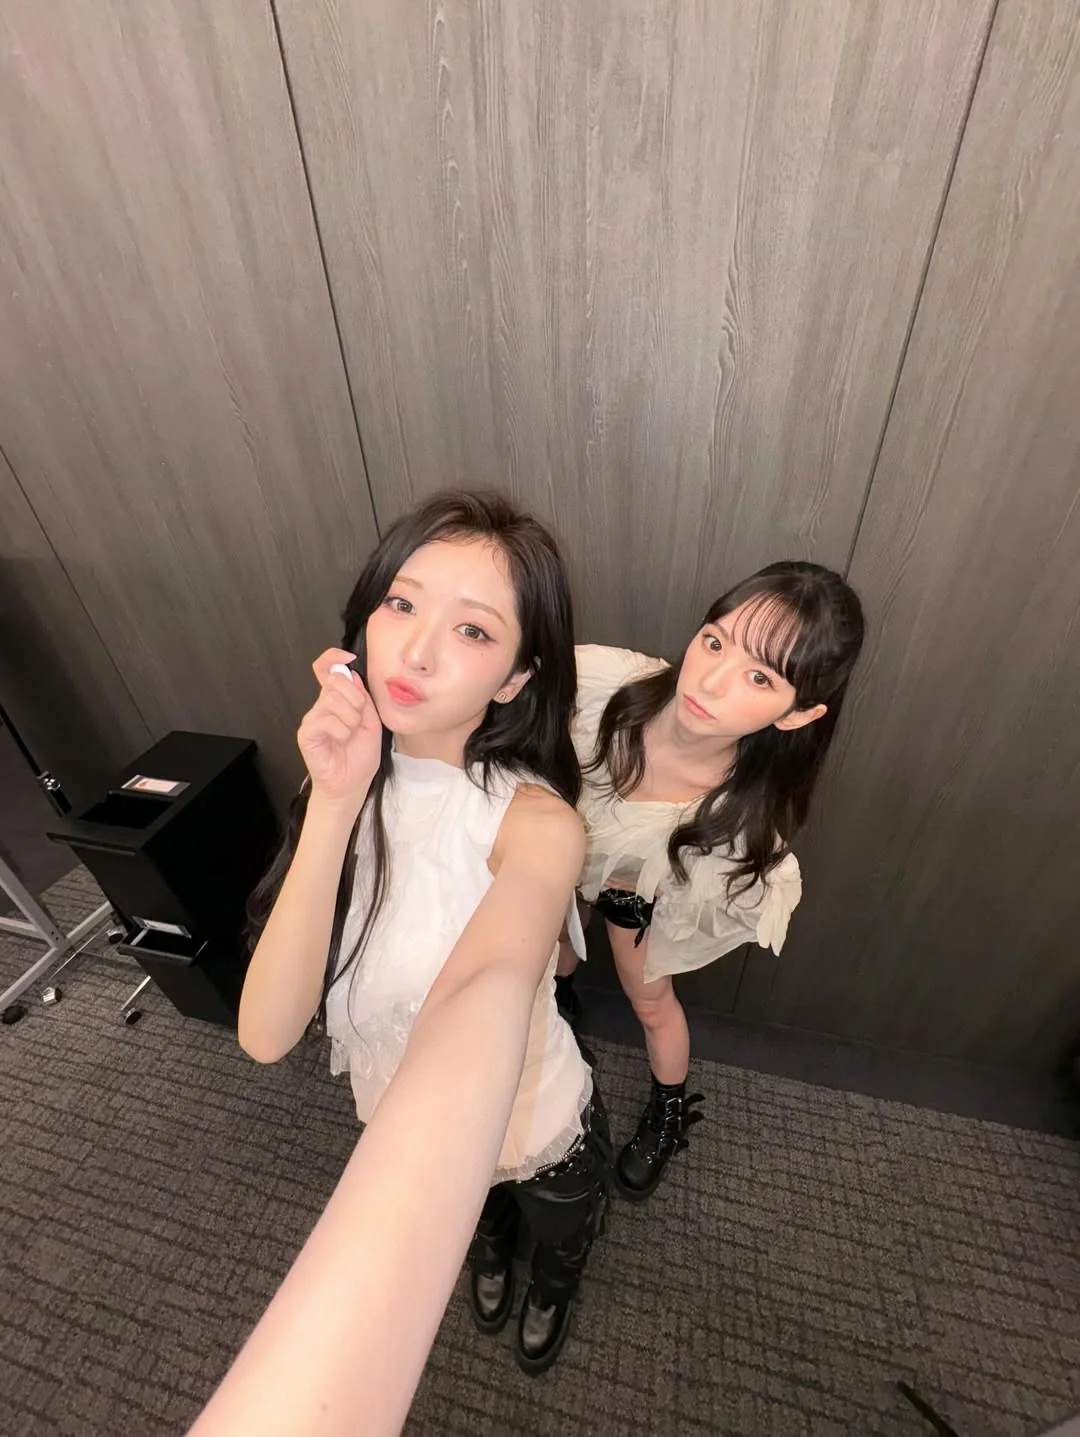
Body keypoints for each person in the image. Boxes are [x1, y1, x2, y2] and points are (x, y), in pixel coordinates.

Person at [237, 491, 610, 1379]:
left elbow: (494, 978)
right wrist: (335, 798)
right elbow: (265, 1033)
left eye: (473, 630)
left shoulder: (538, 821)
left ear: (515, 677)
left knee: (560, 1221)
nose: (416, 649)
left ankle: (553, 1284)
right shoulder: (342, 782)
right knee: (483, 1222)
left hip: (533, 1113)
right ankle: (492, 1251)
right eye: (401, 603)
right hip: (404, 1117)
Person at [556, 561, 865, 1199]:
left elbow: (685, 907)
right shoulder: (604, 683)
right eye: (716, 641)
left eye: (760, 677)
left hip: (635, 893)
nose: (711, 680)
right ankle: (558, 1009)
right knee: (551, 942)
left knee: (651, 1002)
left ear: (797, 714)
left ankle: (668, 1110)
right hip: (559, 848)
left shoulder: (732, 822)